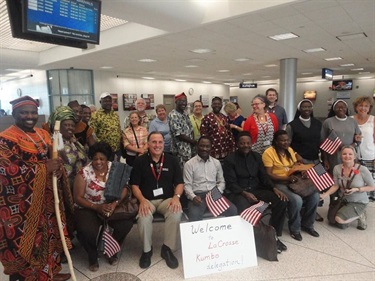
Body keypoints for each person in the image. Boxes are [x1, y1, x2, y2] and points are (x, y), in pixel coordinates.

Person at [0, 96, 71, 281]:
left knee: (50, 235)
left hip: (46, 198)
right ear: (14, 113)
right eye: (24, 112)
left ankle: (49, 273)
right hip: (24, 204)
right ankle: (31, 277)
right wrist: (43, 168)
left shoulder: (43, 134)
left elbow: (53, 159)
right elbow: (6, 171)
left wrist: (58, 167)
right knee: (31, 242)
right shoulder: (7, 138)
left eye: (33, 112)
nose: (29, 116)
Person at [223, 132, 288, 252]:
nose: (245, 145)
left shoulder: (257, 157)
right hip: (239, 192)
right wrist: (244, 193)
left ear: (251, 143)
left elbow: (263, 176)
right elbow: (231, 183)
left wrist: (274, 188)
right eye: (242, 143)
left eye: (248, 143)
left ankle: (274, 235)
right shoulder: (230, 159)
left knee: (281, 201)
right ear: (237, 144)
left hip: (256, 189)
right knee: (245, 209)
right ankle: (250, 238)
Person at [73, 142, 134, 271]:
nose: (98, 162)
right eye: (95, 159)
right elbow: (78, 198)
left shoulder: (116, 168)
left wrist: (114, 204)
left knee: (126, 223)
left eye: (102, 159)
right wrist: (96, 207)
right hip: (89, 207)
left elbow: (124, 188)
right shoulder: (84, 173)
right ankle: (92, 255)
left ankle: (111, 251)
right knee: (86, 230)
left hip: (112, 204)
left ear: (108, 159)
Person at [130, 132, 183, 269]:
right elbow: (134, 185)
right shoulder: (140, 161)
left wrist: (176, 198)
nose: (157, 145)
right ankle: (147, 251)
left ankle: (167, 249)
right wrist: (141, 200)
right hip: (146, 199)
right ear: (148, 144)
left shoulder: (172, 160)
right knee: (143, 217)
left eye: (160, 142)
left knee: (176, 213)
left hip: (167, 199)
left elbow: (179, 183)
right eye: (154, 142)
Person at [262, 130, 320, 241]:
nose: (286, 142)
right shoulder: (269, 152)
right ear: (276, 141)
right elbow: (269, 174)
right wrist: (287, 178)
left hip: (294, 180)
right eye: (282, 140)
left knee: (315, 196)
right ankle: (295, 229)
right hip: (279, 183)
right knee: (297, 200)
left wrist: (300, 169)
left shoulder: (289, 150)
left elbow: (294, 165)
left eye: (287, 140)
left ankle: (308, 225)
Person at [48, 105, 88, 238]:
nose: (70, 128)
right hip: (64, 188)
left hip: (79, 186)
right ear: (58, 125)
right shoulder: (54, 143)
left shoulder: (74, 141)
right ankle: (66, 241)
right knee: (65, 215)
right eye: (66, 125)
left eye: (72, 125)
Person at [286, 99, 324, 222]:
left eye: (309, 107)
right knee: (303, 188)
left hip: (315, 160)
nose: (307, 109)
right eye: (304, 107)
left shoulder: (318, 123)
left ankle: (313, 211)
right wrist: (296, 154)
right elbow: (287, 144)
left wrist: (324, 159)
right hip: (301, 162)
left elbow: (321, 142)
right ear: (299, 109)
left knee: (316, 188)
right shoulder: (292, 125)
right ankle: (301, 209)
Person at [183, 136, 238, 221]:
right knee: (194, 216)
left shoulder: (216, 163)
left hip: (214, 195)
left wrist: (218, 192)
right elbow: (187, 185)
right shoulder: (189, 164)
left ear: (211, 148)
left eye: (207, 146)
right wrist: (193, 197)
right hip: (198, 196)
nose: (204, 149)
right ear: (197, 146)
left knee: (233, 210)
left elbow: (221, 182)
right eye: (202, 146)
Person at [321, 146, 375, 230]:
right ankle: (349, 214)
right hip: (343, 199)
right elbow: (336, 185)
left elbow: (372, 187)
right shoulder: (337, 168)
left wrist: (357, 189)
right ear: (341, 156)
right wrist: (325, 194)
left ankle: (360, 214)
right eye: (344, 154)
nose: (347, 156)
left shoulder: (363, 169)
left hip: (358, 201)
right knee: (331, 220)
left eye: (350, 154)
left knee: (339, 220)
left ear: (354, 156)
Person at [321, 100, 362, 175]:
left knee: (349, 176)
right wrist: (325, 160)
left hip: (349, 155)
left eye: (343, 107)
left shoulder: (353, 121)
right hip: (334, 156)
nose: (341, 109)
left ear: (346, 109)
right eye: (338, 107)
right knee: (336, 177)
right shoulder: (328, 122)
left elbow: (358, 139)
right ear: (333, 109)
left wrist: (351, 146)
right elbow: (323, 142)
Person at [351, 96, 375, 200]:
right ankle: (356, 204)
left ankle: (365, 205)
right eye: (360, 105)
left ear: (370, 108)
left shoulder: (373, 119)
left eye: (366, 106)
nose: (363, 108)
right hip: (353, 158)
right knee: (355, 181)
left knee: (369, 183)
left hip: (370, 156)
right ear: (356, 107)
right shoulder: (350, 119)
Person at [200, 97, 235, 161]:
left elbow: (229, 134)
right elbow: (203, 134)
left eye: (219, 104)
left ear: (221, 105)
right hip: (213, 151)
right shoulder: (207, 117)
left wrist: (232, 147)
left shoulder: (225, 118)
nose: (217, 105)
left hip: (225, 150)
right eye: (215, 104)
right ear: (211, 105)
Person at [90, 92, 122, 160]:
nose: (107, 103)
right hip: (104, 151)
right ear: (100, 102)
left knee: (116, 169)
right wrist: (103, 146)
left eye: (109, 101)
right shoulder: (95, 115)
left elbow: (118, 130)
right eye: (105, 101)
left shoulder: (115, 115)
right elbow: (93, 134)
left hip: (117, 150)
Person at [169, 92, 196, 169]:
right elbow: (179, 134)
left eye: (185, 101)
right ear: (176, 102)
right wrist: (193, 142)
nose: (183, 103)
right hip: (180, 151)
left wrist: (193, 141)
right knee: (182, 173)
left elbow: (191, 129)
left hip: (189, 149)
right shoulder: (173, 115)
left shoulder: (185, 113)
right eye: (181, 101)